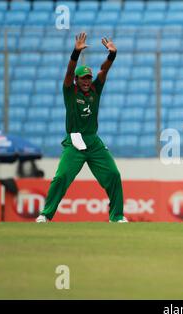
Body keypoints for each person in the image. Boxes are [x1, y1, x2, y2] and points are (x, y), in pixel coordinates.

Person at [36, 33, 127, 223]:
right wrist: (75, 53)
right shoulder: (70, 91)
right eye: (83, 78)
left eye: (88, 78)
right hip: (74, 142)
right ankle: (45, 215)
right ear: (77, 80)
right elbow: (69, 74)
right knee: (61, 178)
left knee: (113, 175)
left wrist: (112, 55)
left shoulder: (95, 89)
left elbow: (104, 71)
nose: (86, 81)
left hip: (93, 141)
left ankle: (117, 216)